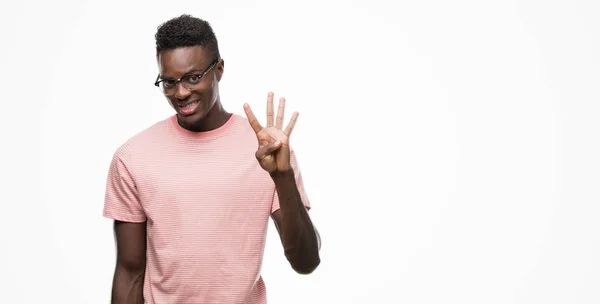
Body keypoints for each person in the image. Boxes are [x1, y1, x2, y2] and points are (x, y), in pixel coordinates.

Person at [103, 14, 321, 304]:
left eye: (193, 78)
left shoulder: (267, 151)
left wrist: (282, 177)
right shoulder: (133, 158)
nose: (181, 93)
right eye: (169, 82)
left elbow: (306, 262)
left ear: (218, 69)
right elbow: (129, 274)